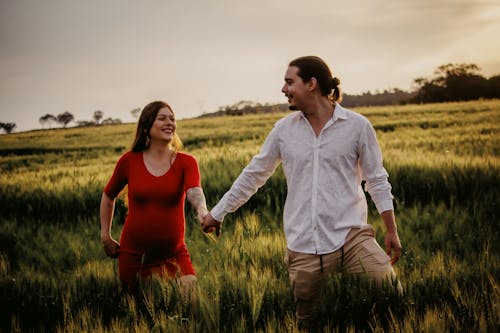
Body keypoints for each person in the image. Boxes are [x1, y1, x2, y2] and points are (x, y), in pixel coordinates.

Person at [202, 56, 402, 329]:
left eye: (289, 82)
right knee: (309, 323)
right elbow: (254, 175)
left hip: (353, 237)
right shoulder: (284, 131)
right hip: (305, 245)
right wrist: (218, 212)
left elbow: (377, 180)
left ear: (311, 84)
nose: (283, 89)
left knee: (392, 293)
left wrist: (391, 230)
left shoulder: (357, 126)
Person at [100, 100, 209, 293]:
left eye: (172, 119)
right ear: (146, 126)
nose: (170, 123)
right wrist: (105, 236)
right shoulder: (129, 161)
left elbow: (194, 190)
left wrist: (202, 211)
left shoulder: (186, 162)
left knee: (191, 305)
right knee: (138, 315)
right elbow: (108, 196)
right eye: (162, 118)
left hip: (174, 253)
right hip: (134, 255)